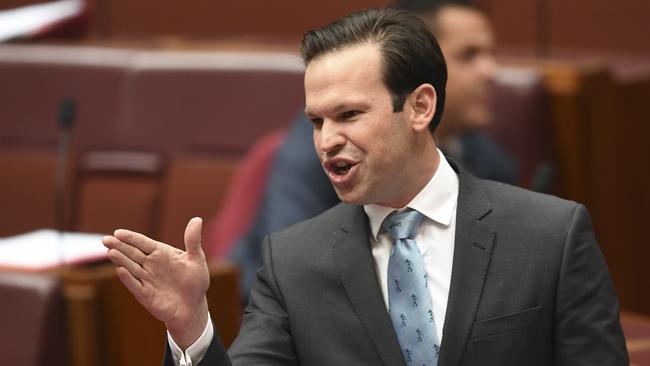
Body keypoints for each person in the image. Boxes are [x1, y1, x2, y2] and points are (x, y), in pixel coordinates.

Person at [102, 8, 628, 366]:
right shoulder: (292, 263)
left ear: (420, 107)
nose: (328, 141)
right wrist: (192, 325)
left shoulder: (551, 237)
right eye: (316, 121)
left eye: (349, 114)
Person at [230, 0, 517, 299]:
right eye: (468, 55)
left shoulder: (489, 161)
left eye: (350, 115)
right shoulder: (316, 154)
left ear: (423, 106)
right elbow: (291, 280)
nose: (490, 71)